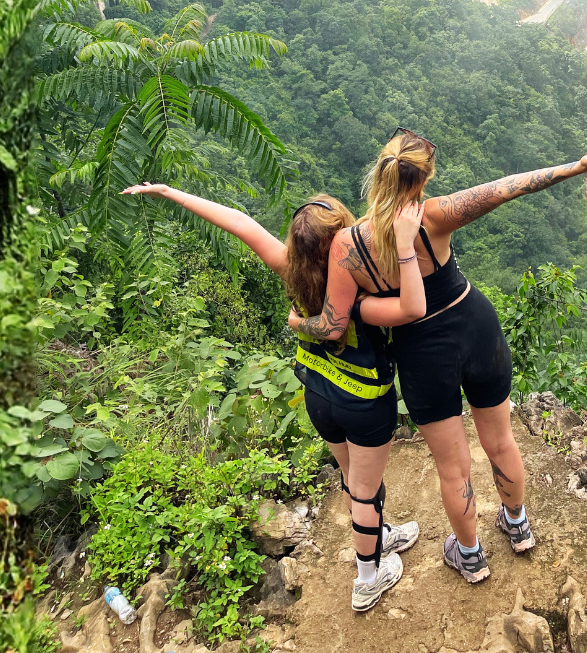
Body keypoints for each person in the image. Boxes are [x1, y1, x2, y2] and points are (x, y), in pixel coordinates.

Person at [314, 129, 587, 584]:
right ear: (423, 180)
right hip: (476, 327)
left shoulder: (347, 245)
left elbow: (334, 320)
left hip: (422, 354)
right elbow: (508, 187)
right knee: (500, 440)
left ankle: (470, 555)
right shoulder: (434, 215)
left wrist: (303, 322)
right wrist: (580, 164)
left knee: (453, 465)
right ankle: (518, 526)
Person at [120, 184, 426, 612]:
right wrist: (407, 241)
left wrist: (172, 193)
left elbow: (240, 221)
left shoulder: (289, 269)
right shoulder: (360, 291)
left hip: (319, 397)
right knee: (364, 491)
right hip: (364, 404)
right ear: (340, 238)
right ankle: (367, 579)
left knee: (356, 484)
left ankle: (376, 535)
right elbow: (413, 308)